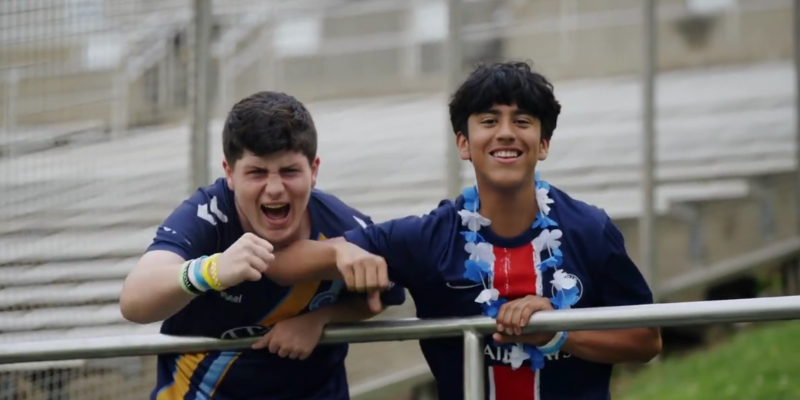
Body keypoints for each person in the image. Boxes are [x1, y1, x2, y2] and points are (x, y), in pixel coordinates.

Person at [263, 61, 662, 400]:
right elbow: (280, 262)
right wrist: (338, 253)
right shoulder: (429, 238)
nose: (505, 132)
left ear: (543, 144)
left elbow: (646, 340)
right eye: (489, 121)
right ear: (464, 143)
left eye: (522, 121)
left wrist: (558, 334)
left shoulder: (590, 228)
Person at [119, 91, 406, 400]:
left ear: (314, 171)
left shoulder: (345, 226)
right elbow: (134, 301)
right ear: (229, 174)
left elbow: (381, 297)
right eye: (256, 173)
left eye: (289, 171)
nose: (274, 189)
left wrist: (320, 319)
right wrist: (211, 271)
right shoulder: (207, 214)